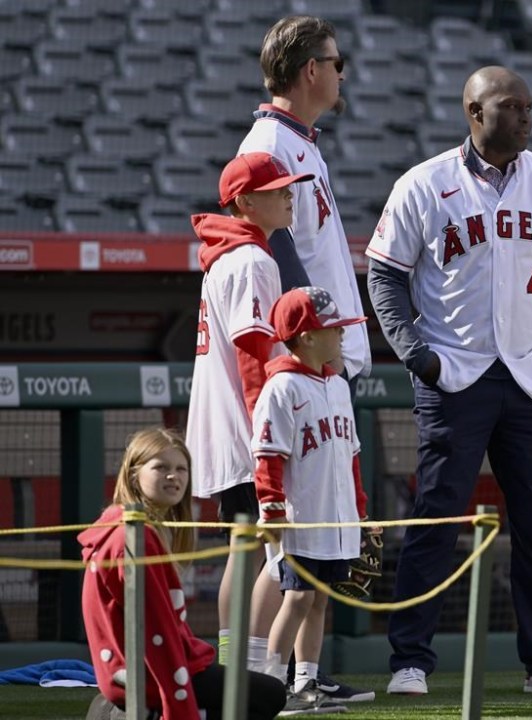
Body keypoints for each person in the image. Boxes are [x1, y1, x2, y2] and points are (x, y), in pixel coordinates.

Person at [366, 65, 532, 696]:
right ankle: (410, 660)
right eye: (511, 106)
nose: (526, 117)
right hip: (455, 375)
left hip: (531, 374)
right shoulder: (424, 183)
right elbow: (384, 275)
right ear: (475, 113)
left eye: (528, 106)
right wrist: (417, 354)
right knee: (436, 518)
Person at [185, 151, 314, 669]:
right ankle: (254, 670)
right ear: (244, 200)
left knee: (245, 549)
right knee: (266, 551)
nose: (289, 194)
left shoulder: (231, 255)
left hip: (226, 427)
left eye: (289, 185)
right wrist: (270, 428)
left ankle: (239, 666)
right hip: (246, 429)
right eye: (278, 188)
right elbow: (253, 353)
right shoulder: (253, 260)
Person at [79, 427, 286, 720]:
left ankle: (116, 712)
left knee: (248, 688)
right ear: (134, 474)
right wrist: (178, 707)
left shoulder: (129, 527)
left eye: (181, 469)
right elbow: (157, 635)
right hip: (146, 675)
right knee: (270, 695)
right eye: (160, 467)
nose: (173, 476)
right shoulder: (134, 536)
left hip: (134, 671)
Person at [250, 286, 377, 711]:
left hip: (336, 517)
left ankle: (306, 680)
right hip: (301, 516)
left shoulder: (338, 386)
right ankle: (271, 685)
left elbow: (353, 457)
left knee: (321, 598)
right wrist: (270, 509)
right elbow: (267, 455)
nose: (341, 336)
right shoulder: (282, 387)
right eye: (333, 329)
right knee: (299, 597)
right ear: (306, 336)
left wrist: (359, 513)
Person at [238, 15, 371, 386]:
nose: (341, 75)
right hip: (313, 364)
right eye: (337, 63)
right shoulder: (269, 144)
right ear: (312, 69)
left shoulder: (297, 141)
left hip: (326, 358)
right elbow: (276, 250)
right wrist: (324, 355)